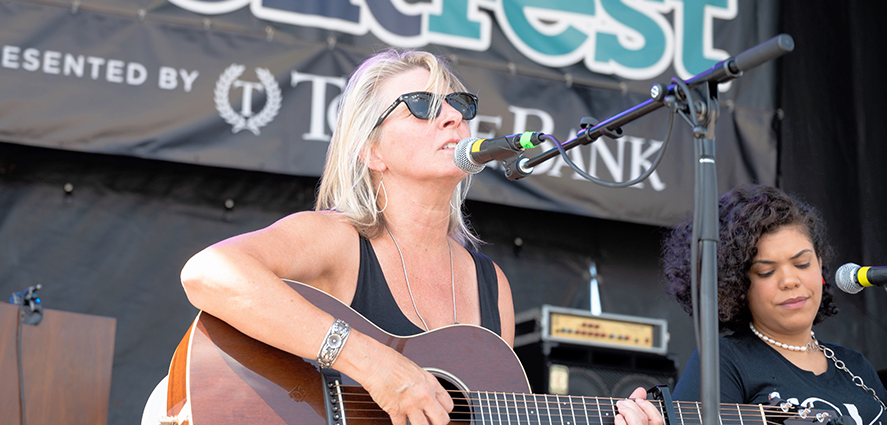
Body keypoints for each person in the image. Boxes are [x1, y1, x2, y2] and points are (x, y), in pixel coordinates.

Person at [180, 48, 664, 425]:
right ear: (372, 151)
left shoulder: (490, 287)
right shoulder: (336, 239)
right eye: (421, 105)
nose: (453, 116)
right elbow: (208, 273)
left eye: (458, 103)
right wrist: (373, 364)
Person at [663, 184, 887, 424]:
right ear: (737, 286)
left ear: (820, 265)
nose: (790, 281)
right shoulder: (723, 361)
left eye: (802, 263)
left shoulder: (856, 367)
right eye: (767, 271)